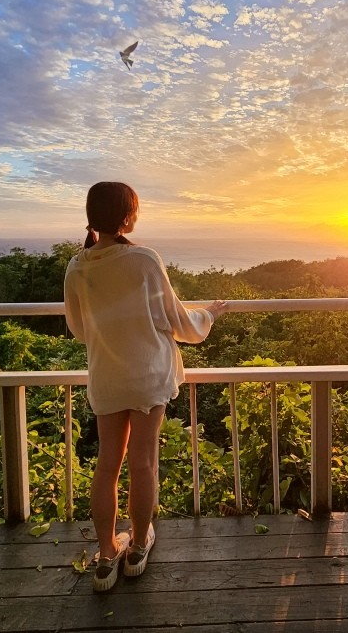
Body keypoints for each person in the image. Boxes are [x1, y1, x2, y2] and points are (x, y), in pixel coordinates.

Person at [63, 181, 227, 592]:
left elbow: (79, 329)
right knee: (143, 463)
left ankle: (105, 557)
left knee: (107, 465)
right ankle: (137, 547)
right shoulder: (143, 260)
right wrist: (207, 314)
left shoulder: (76, 267)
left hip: (107, 375)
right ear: (127, 217)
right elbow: (179, 322)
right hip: (148, 374)